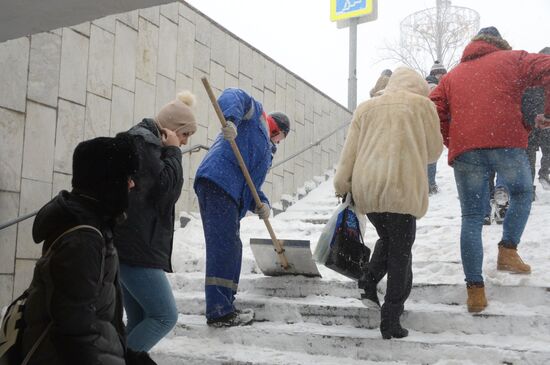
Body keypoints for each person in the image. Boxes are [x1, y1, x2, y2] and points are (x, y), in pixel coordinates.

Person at [430, 26, 550, 313]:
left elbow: (434, 107)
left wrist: (452, 139)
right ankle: (508, 250)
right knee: (521, 193)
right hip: (507, 142)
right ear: (498, 43)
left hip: (467, 151)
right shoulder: (513, 59)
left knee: (471, 217)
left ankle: (475, 292)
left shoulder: (451, 76)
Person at [20, 134, 156, 364]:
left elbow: (98, 316)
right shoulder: (83, 239)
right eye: (127, 177)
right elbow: (73, 331)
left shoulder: (91, 228)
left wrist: (128, 357)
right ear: (108, 182)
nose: (132, 184)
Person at [334, 67, 443, 339]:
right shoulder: (423, 105)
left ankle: (368, 280)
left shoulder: (366, 108)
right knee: (400, 254)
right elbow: (432, 152)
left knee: (390, 240)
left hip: (368, 189)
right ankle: (391, 318)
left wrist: (342, 184)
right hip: (401, 187)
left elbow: (350, 152)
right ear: (419, 85)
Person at [193, 87, 290, 327]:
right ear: (279, 130)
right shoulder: (255, 115)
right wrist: (232, 121)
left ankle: (225, 305)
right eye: (280, 137)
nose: (277, 141)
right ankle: (219, 311)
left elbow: (251, 184)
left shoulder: (264, 152)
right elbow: (232, 95)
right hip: (219, 181)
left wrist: (262, 203)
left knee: (230, 247)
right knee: (224, 247)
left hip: (230, 189)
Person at [114, 91, 197, 351]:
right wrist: (173, 151)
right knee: (164, 316)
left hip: (130, 244)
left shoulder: (142, 141)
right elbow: (166, 192)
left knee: (139, 319)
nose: (184, 142)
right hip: (137, 247)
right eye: (184, 134)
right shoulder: (146, 143)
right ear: (171, 129)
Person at [524, 47, 550, 196]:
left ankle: (541, 176)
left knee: (530, 157)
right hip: (536, 123)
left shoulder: (530, 76)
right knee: (530, 157)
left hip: (535, 122)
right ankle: (532, 185)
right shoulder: (532, 77)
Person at [426, 61, 448, 195]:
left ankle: (425, 184)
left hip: (420, 124)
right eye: (442, 74)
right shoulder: (435, 88)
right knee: (431, 155)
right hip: (431, 124)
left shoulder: (421, 85)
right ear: (438, 74)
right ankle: (430, 185)